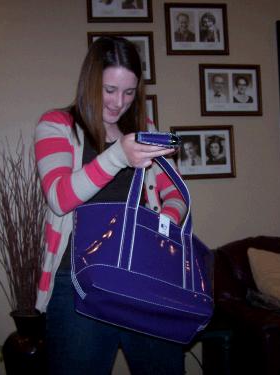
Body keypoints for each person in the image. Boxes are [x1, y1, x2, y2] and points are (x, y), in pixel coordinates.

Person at [34, 36, 187, 375]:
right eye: (110, 90)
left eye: (129, 93)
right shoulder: (57, 125)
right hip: (77, 283)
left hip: (145, 279)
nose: (119, 103)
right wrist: (118, 154)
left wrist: (167, 219)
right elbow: (60, 198)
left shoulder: (143, 130)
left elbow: (175, 193)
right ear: (90, 82)